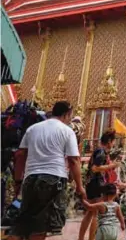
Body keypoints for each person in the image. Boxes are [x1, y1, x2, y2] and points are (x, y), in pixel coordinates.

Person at [9, 101, 85, 240]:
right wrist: (80, 186)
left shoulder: (32, 129)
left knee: (23, 223)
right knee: (41, 226)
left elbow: (19, 155)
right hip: (53, 179)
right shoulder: (67, 131)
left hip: (30, 178)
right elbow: (74, 160)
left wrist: (18, 180)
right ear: (67, 114)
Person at [79, 129, 120, 240]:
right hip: (97, 183)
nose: (114, 144)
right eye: (113, 141)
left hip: (91, 183)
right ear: (109, 141)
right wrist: (112, 166)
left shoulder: (99, 151)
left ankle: (80, 238)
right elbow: (95, 168)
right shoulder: (101, 152)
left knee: (89, 212)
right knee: (96, 214)